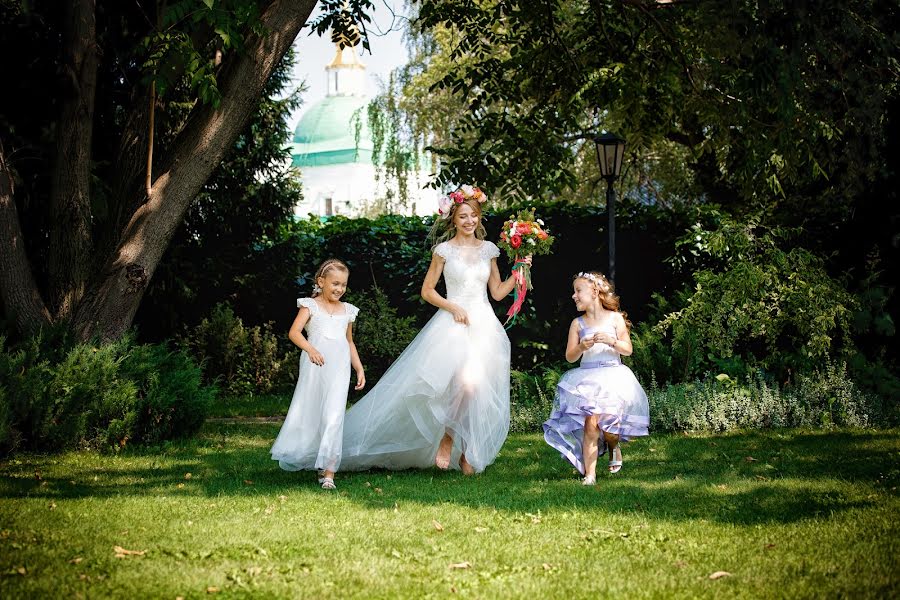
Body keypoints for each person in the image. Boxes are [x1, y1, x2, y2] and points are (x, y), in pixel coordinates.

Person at [340, 186, 529, 475]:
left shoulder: (489, 250)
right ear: (453, 219)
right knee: (463, 385)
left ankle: (467, 452)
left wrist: (519, 271)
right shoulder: (443, 251)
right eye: (463, 216)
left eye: (473, 216)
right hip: (452, 324)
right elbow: (427, 291)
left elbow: (498, 293)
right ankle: (448, 437)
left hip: (483, 325)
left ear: (479, 218)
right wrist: (452, 307)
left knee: (475, 386)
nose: (468, 221)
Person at [543, 271, 649, 485]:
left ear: (594, 291)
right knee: (591, 423)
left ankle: (613, 446)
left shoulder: (615, 318)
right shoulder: (577, 324)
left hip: (613, 376)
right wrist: (582, 346)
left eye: (578, 291)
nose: (574, 296)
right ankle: (590, 474)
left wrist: (611, 341)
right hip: (587, 377)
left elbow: (627, 350)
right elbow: (570, 356)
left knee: (609, 427)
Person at [270, 258, 366, 490]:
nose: (339, 289)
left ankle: (329, 471)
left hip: (339, 367)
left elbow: (349, 341)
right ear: (321, 282)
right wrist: (311, 349)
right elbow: (294, 333)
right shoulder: (309, 306)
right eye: (334, 283)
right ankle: (312, 454)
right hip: (315, 366)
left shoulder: (348, 311)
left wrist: (359, 367)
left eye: (343, 285)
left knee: (334, 414)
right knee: (313, 410)